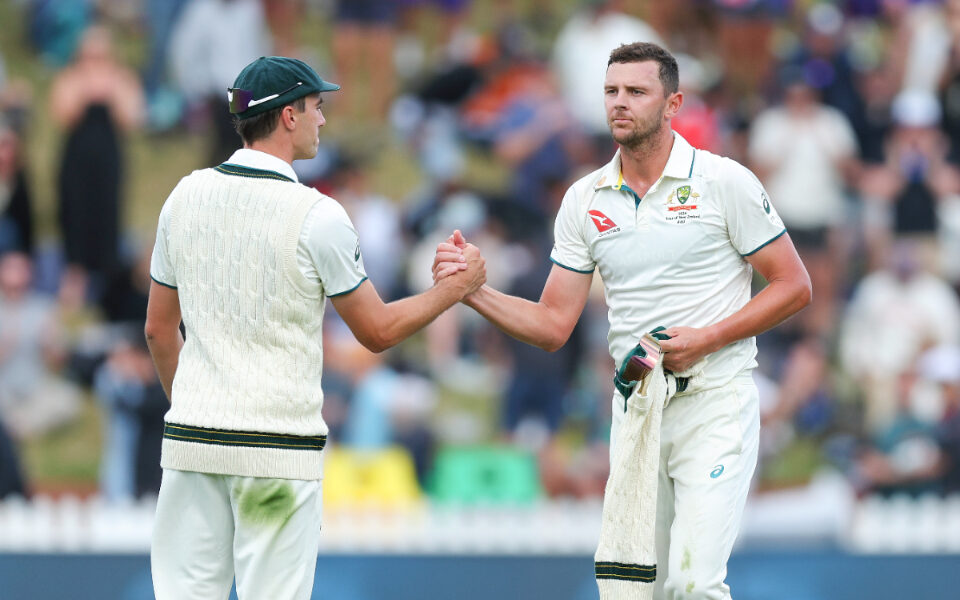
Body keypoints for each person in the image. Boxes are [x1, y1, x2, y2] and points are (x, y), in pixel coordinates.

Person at [435, 42, 811, 599]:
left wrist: (707, 339)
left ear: (673, 103)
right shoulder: (584, 199)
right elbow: (551, 325)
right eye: (611, 91)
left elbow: (795, 285)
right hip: (636, 407)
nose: (620, 103)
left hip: (716, 401)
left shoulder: (722, 180)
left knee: (693, 584)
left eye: (637, 92)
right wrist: (473, 293)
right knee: (640, 590)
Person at [144, 56, 484, 600]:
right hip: (276, 452)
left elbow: (160, 331)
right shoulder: (318, 215)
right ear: (287, 116)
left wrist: (192, 406)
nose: (323, 119)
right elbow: (377, 331)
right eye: (316, 106)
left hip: (191, 444)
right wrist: (453, 290)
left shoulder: (183, 196)